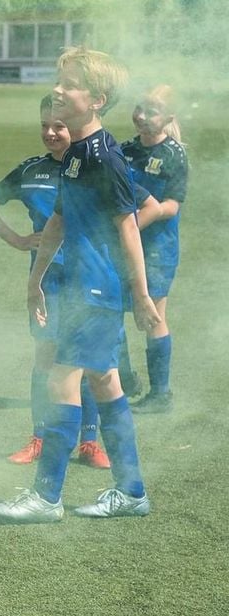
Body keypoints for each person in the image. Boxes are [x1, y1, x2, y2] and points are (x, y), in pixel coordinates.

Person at [0, 47, 159, 523]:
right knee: (104, 381)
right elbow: (59, 220)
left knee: (62, 377)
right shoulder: (76, 153)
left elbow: (127, 227)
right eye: (59, 81)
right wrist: (35, 281)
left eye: (71, 83)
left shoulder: (105, 156)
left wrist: (141, 296)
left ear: (97, 99)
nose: (59, 90)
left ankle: (46, 497)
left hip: (96, 290)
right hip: (79, 287)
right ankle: (131, 492)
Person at [0, 95, 109, 469]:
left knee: (87, 361)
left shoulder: (98, 167)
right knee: (46, 358)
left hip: (90, 280)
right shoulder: (30, 171)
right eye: (44, 126)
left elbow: (137, 211)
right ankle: (39, 437)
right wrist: (16, 239)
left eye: (59, 126)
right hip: (46, 283)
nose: (50, 133)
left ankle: (90, 442)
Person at [119, 85, 188, 414]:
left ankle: (160, 394)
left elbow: (173, 206)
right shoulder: (124, 150)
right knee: (109, 310)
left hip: (157, 248)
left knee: (153, 316)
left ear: (169, 119)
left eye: (152, 112)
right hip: (120, 244)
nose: (142, 117)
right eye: (139, 108)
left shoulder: (173, 155)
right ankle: (123, 378)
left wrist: (137, 221)